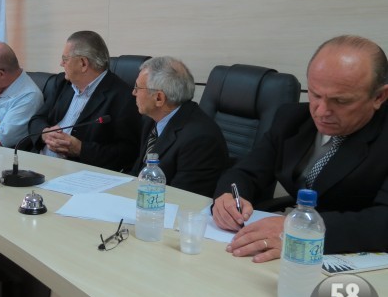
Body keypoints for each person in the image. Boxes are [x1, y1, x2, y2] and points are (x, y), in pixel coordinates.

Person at [212, 35, 388, 261]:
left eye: (341, 101)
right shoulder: (292, 118)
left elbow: (383, 220)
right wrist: (228, 196)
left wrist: (300, 230)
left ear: (379, 96)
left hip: (348, 257)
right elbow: (246, 171)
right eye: (315, 94)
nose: (321, 111)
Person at [28, 30, 141, 172]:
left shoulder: (123, 97)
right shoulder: (63, 83)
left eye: (65, 59)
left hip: (77, 174)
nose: (61, 63)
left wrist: (81, 149)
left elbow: (127, 154)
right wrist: (44, 133)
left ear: (83, 63)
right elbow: (36, 119)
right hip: (38, 163)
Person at [129, 57, 228, 196]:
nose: (133, 93)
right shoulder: (152, 120)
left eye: (138, 88)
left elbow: (182, 198)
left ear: (159, 98)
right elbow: (138, 172)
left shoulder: (200, 139)